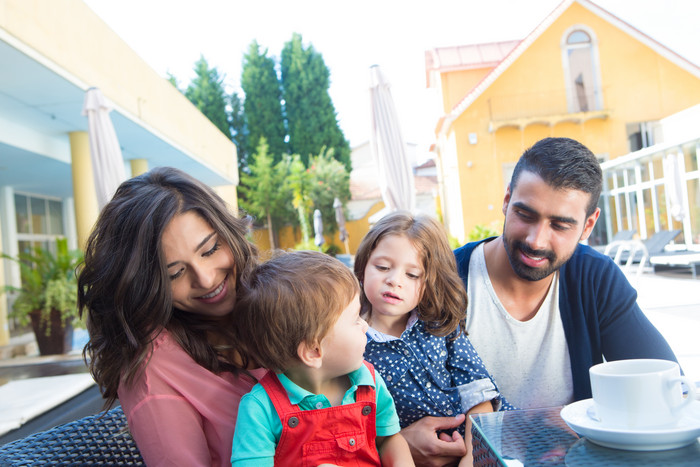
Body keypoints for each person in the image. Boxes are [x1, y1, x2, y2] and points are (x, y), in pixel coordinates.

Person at [454, 137, 678, 410]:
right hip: (469, 454)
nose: (536, 241)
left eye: (559, 226)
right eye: (525, 215)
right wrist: (403, 435)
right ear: (506, 199)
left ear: (588, 226)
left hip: (575, 453)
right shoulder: (447, 278)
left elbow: (668, 388)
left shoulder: (594, 278)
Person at [78, 167, 265, 467]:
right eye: (175, 273)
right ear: (145, 286)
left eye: (210, 249)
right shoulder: (155, 369)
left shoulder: (272, 301)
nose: (205, 279)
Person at [354, 211, 513, 466]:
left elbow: (479, 394)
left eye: (412, 275)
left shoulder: (440, 326)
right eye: (382, 267)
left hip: (485, 445)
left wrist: (473, 457)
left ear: (429, 282)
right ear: (362, 268)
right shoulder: (352, 343)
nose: (394, 280)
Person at [230, 250, 413, 467]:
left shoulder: (369, 383)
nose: (365, 325)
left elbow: (388, 439)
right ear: (314, 351)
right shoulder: (260, 409)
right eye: (355, 319)